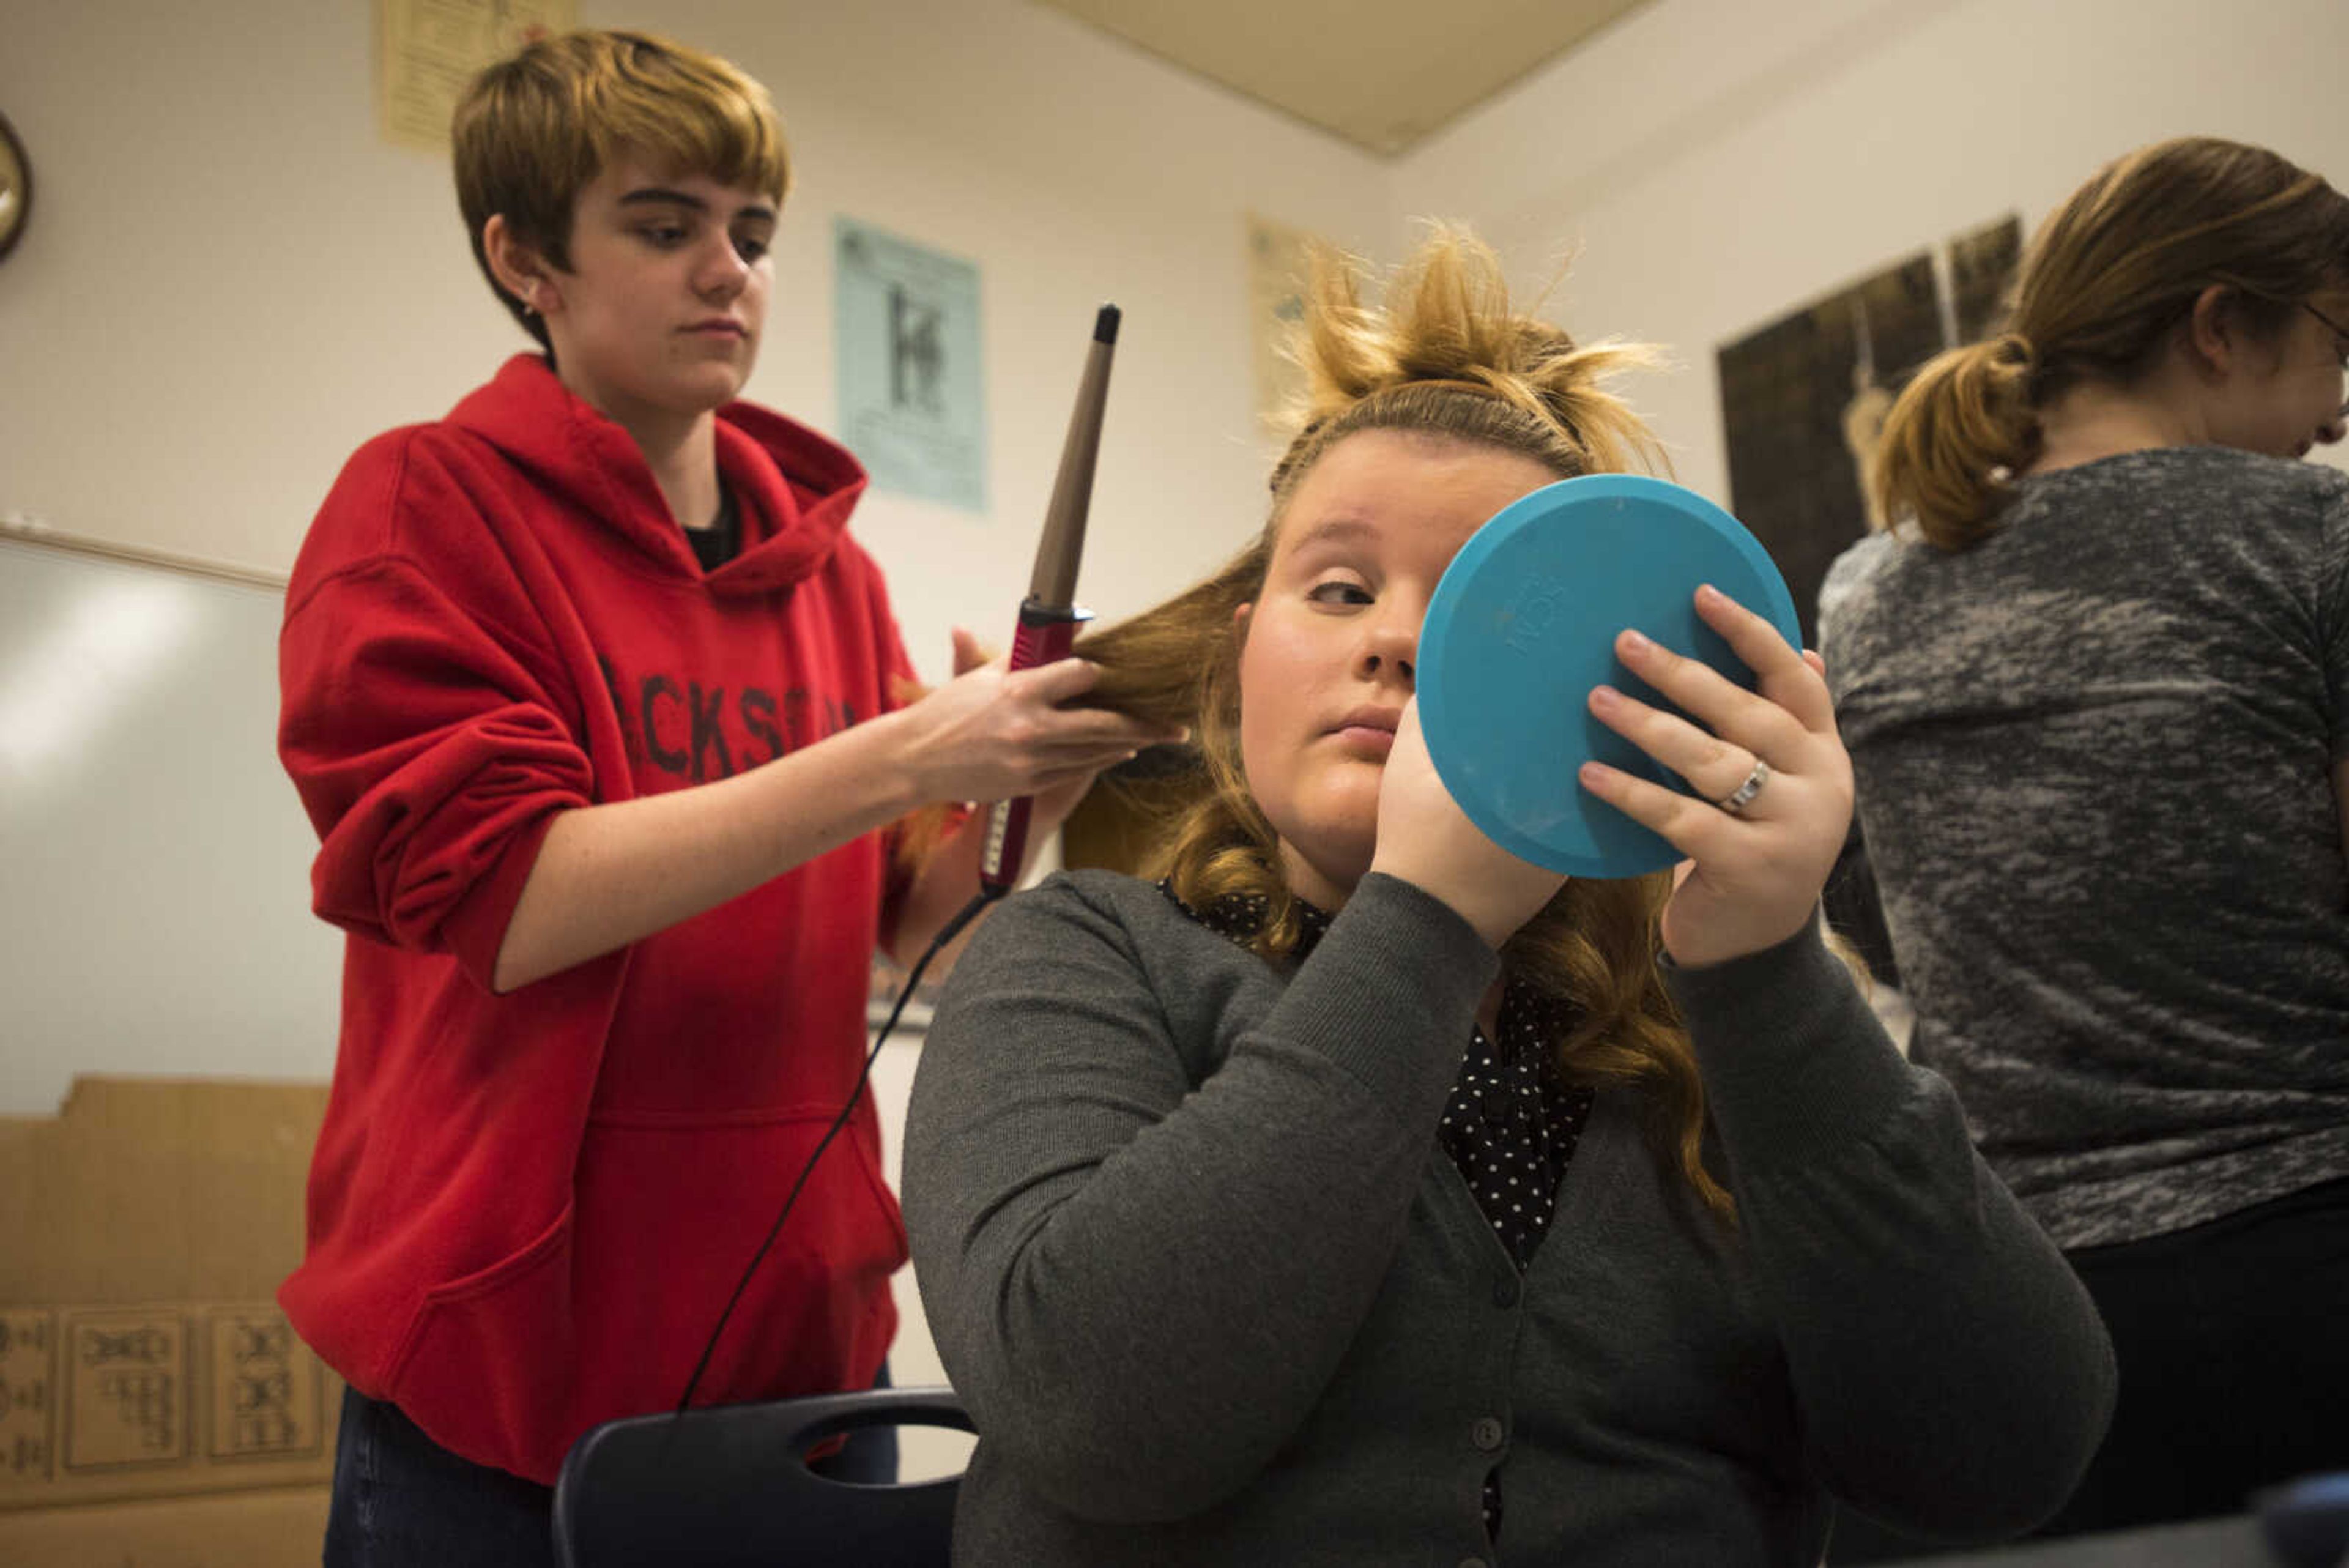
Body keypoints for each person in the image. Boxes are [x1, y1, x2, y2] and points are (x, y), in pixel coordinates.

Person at [900, 229, 2114, 1567]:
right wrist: (1425, 916)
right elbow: (1098, 1412)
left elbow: (1999, 1459)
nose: (1402, 639)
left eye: (1487, 604)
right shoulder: (1076, 957)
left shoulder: (1704, 1025)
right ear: (1242, 668)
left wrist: (1770, 972)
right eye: (1342, 587)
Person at [275, 29, 1173, 1567]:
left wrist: (1021, 794)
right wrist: (913, 753)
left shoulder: (836, 578)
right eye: (664, 223)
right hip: (504, 1397)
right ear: (524, 256)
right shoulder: (423, 508)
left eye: (751, 235)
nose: (728, 272)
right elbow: (514, 900)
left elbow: (908, 941)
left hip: (803, 1356)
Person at [1819, 135, 2349, 1537]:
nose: (2342, 410)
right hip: (2302, 1279)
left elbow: (1887, 922)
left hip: (2004, 1326)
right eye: (2339, 347)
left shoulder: (1864, 591)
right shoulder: (2318, 536)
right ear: (2222, 328)